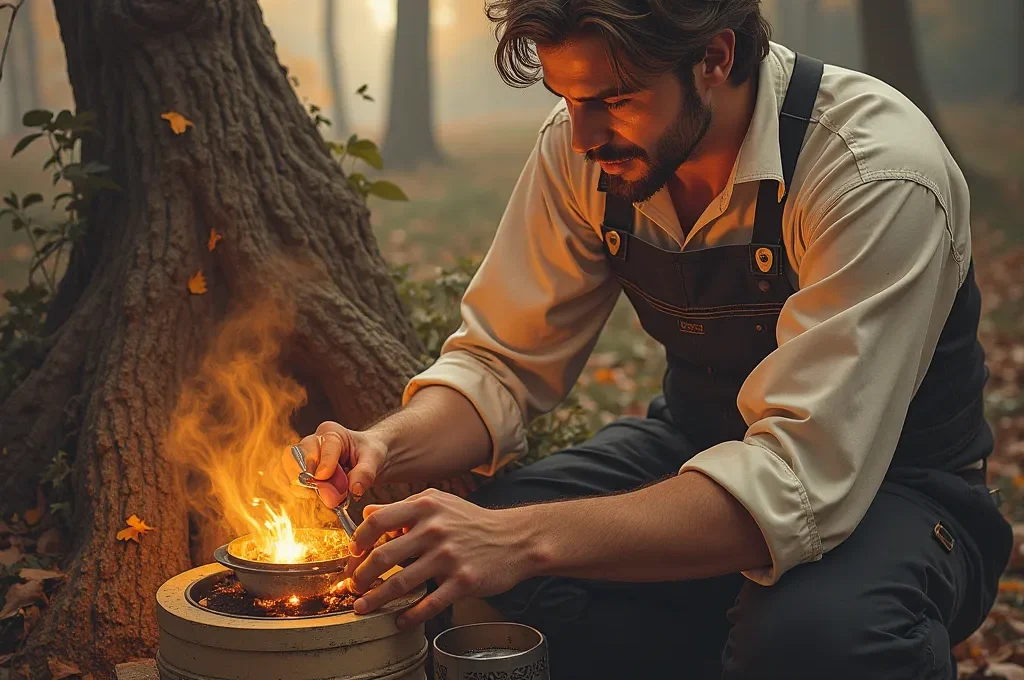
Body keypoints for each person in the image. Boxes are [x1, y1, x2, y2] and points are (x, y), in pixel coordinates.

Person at [286, 1, 1012, 677]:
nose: (582, 136)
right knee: (464, 565)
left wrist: (517, 541)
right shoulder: (587, 150)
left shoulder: (871, 173)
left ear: (716, 58)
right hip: (695, 448)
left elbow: (797, 479)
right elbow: (501, 366)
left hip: (899, 493)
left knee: (816, 641)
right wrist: (385, 444)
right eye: (568, 100)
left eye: (615, 100)